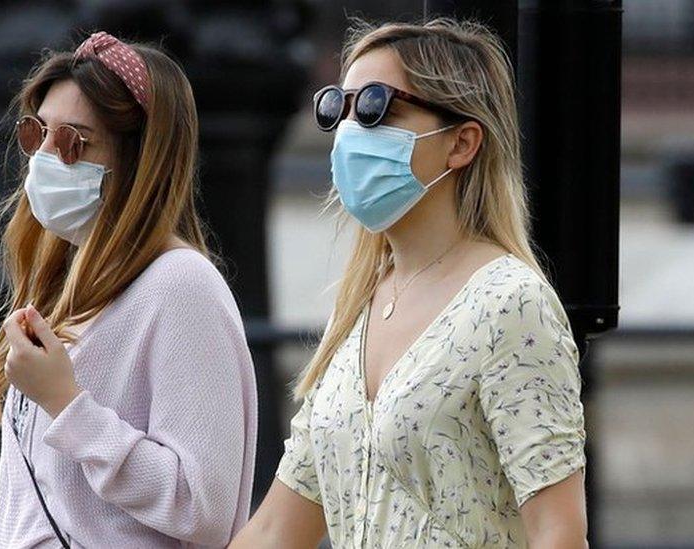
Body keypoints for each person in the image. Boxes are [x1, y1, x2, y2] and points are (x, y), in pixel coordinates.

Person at [231, 18, 588, 548]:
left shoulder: (510, 302)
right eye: (338, 108)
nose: (350, 131)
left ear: (462, 142)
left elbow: (559, 534)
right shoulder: (358, 307)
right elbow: (279, 529)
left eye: (376, 107)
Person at [0, 31, 258, 548]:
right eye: (36, 134)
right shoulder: (62, 284)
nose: (45, 158)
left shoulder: (181, 287)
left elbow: (202, 505)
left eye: (74, 141)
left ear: (138, 160)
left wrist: (69, 405)